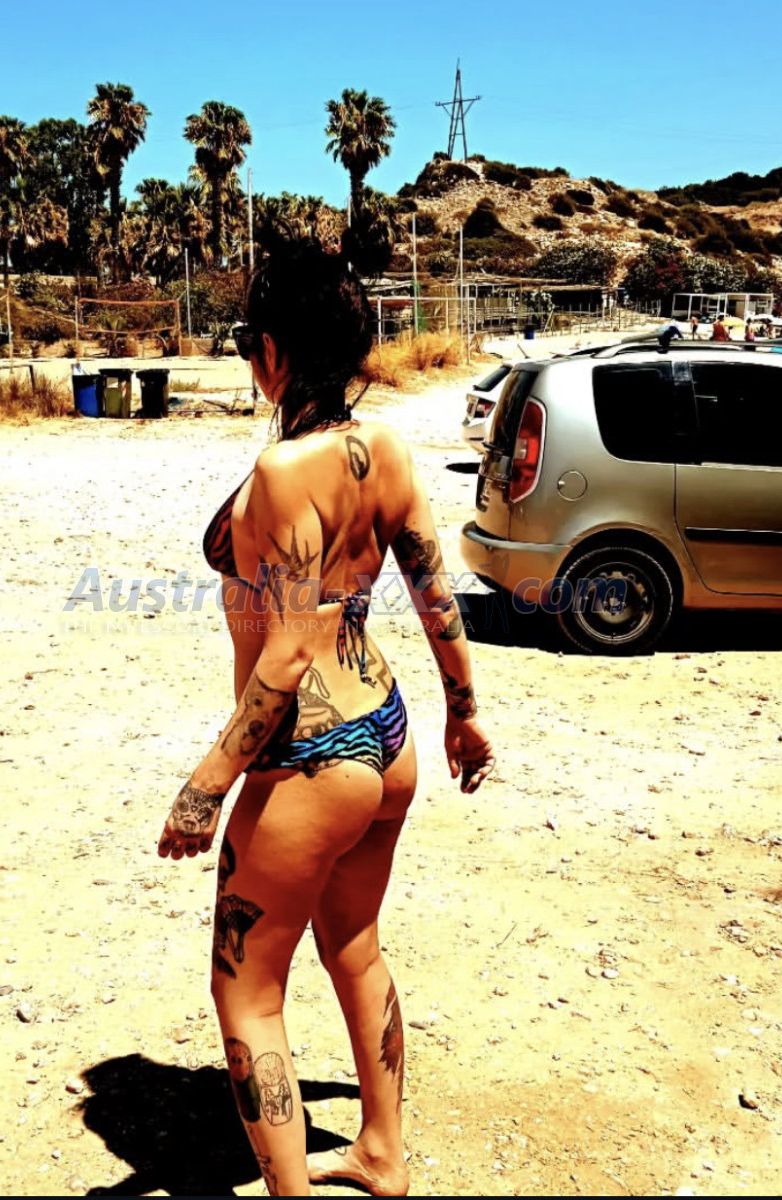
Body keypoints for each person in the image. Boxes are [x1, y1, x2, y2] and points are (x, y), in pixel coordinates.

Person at [158, 231, 496, 1198]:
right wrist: (463, 714)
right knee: (354, 945)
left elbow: (287, 653)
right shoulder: (381, 447)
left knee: (246, 994)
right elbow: (434, 594)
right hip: (385, 733)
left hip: (310, 753)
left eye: (247, 342)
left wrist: (204, 788)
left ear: (271, 348)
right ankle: (380, 1152)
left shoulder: (283, 474)